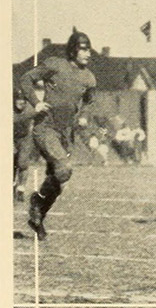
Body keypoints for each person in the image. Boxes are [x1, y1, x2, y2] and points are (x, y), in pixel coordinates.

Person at [19, 31, 98, 240]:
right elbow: (26, 78)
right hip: (46, 128)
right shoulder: (55, 65)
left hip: (65, 134)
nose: (88, 53)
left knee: (59, 180)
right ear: (73, 49)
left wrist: (83, 116)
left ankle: (38, 216)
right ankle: (37, 202)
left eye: (89, 48)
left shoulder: (89, 78)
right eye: (84, 48)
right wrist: (36, 103)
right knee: (64, 169)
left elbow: (90, 102)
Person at [13, 87, 37, 203]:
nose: (21, 102)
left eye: (23, 100)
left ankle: (21, 188)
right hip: (10, 138)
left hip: (25, 138)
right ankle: (12, 185)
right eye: (18, 99)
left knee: (22, 163)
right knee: (10, 162)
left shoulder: (30, 110)